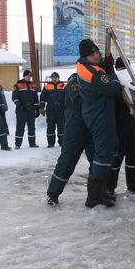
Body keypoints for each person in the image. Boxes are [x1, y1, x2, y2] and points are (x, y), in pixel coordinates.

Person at [76, 38, 121, 208]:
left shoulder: (85, 66)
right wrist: (111, 71)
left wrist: (104, 65)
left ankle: (102, 192)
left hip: (96, 113)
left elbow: (98, 68)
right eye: (92, 54)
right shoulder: (94, 74)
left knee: (107, 150)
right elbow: (113, 88)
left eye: (97, 53)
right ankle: (94, 197)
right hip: (100, 116)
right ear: (85, 56)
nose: (96, 56)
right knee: (104, 153)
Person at [46, 73, 94, 206]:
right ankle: (53, 194)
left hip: (91, 128)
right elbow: (80, 102)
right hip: (75, 130)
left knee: (96, 162)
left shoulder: (93, 81)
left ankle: (96, 194)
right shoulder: (74, 82)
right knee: (67, 161)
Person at [105, 57, 135, 197]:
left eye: (126, 68)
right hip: (118, 125)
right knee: (116, 156)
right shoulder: (114, 82)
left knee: (134, 154)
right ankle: (110, 187)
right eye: (120, 69)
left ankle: (133, 184)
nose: (123, 71)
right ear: (116, 69)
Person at [12, 69, 39, 149]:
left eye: (30, 76)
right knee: (20, 127)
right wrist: (19, 105)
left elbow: (35, 98)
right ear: (24, 76)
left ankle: (32, 143)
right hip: (21, 110)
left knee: (31, 127)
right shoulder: (18, 85)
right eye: (27, 76)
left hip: (31, 109)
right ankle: (18, 144)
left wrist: (37, 109)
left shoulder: (33, 86)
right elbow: (14, 98)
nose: (29, 77)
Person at [40, 72, 66, 147]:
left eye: (56, 77)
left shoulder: (63, 86)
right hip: (50, 108)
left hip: (61, 108)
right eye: (53, 77)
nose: (54, 79)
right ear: (51, 78)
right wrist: (41, 107)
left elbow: (67, 98)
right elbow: (42, 98)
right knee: (50, 126)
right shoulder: (47, 86)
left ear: (58, 78)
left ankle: (62, 142)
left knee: (61, 126)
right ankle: (50, 143)